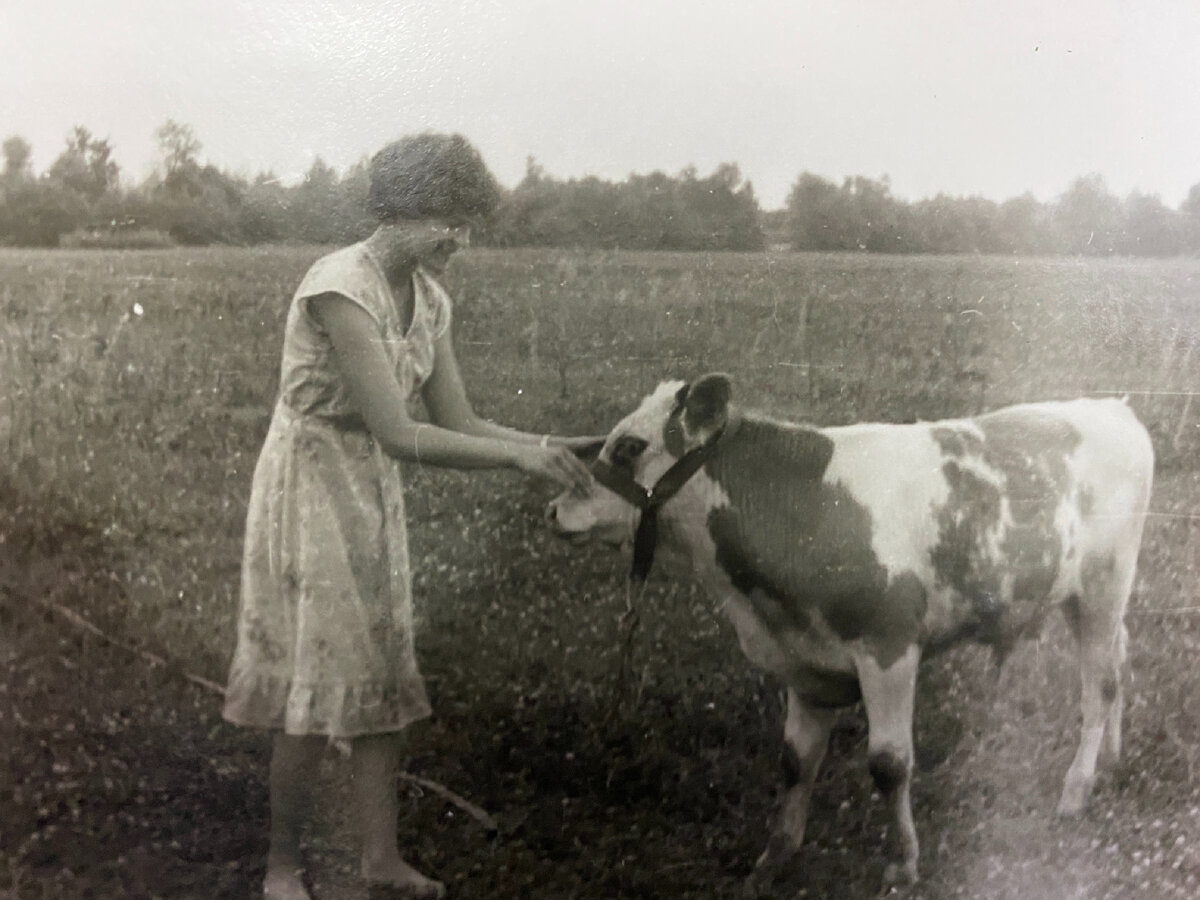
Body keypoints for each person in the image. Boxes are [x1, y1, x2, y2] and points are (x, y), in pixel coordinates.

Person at [222, 133, 597, 900]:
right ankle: (284, 867)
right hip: (312, 484)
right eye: (453, 221)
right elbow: (400, 433)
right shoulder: (339, 287)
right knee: (313, 678)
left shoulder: (429, 298)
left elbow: (461, 417)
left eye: (467, 225)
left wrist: (556, 444)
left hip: (368, 490)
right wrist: (519, 461)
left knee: (380, 670)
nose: (462, 240)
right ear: (407, 209)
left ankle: (378, 860)